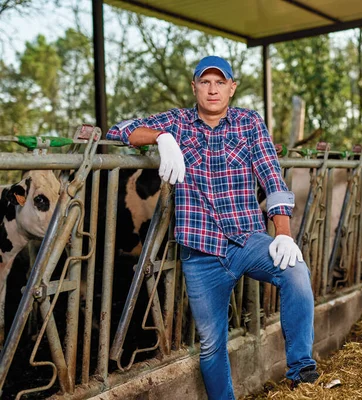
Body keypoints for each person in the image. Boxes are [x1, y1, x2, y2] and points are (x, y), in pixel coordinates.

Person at [106, 56, 318, 399]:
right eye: (205, 82)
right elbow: (118, 129)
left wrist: (283, 233)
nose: (212, 89)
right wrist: (162, 137)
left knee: (295, 272)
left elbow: (272, 177)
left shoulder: (249, 123)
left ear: (232, 88)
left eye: (220, 82)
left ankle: (302, 371)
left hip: (247, 239)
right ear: (195, 87)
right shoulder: (177, 121)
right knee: (211, 344)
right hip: (201, 251)